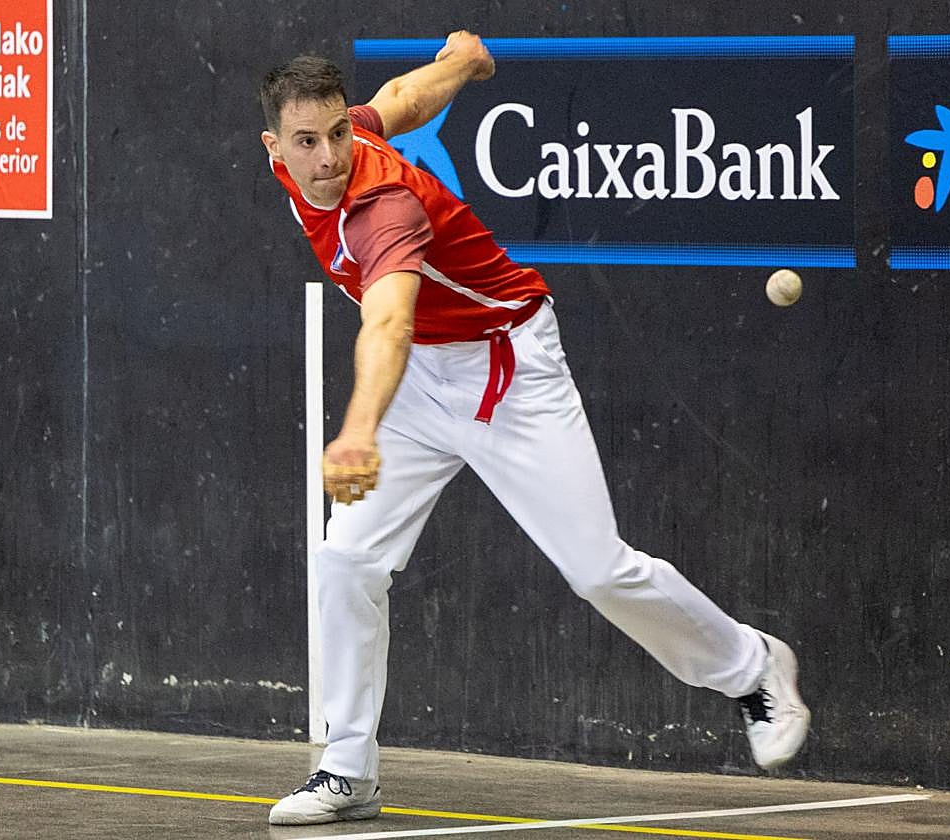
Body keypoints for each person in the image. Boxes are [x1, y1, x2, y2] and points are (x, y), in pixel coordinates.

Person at [259, 31, 810, 826]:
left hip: (503, 368)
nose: (331, 154)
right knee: (345, 558)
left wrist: (357, 431)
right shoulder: (311, 157)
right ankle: (347, 770)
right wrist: (461, 65)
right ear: (275, 145)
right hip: (423, 382)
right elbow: (400, 104)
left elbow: (388, 325)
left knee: (597, 569)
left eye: (339, 133)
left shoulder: (383, 206)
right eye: (309, 140)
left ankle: (754, 667)